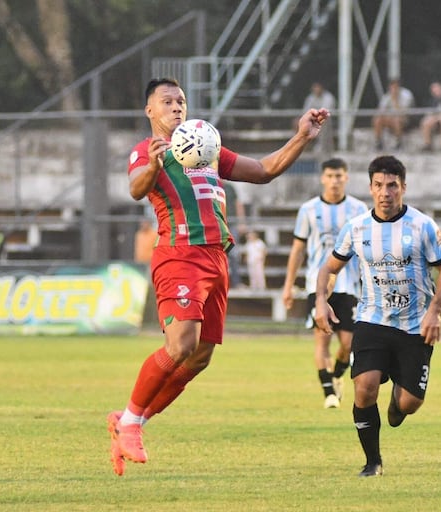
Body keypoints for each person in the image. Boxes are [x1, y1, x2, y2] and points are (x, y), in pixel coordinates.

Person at [107, 77, 329, 476]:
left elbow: (263, 170)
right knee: (182, 342)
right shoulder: (148, 151)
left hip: (217, 259)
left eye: (181, 101)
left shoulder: (204, 146)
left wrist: (302, 137)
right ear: (150, 111)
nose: (177, 107)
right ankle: (129, 422)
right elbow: (136, 189)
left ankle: (129, 420)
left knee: (202, 356)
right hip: (180, 255)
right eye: (167, 101)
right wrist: (154, 165)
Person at [314, 155, 441, 477]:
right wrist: (321, 300)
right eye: (379, 185)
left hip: (414, 325)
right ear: (370, 188)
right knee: (364, 387)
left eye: (392, 185)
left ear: (403, 187)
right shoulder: (357, 228)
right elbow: (329, 268)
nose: (385, 192)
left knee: (408, 405)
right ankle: (372, 461)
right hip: (372, 320)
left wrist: (435, 311)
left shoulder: (423, 226)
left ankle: (397, 401)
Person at [281, 158, 369, 409]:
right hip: (317, 285)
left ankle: (337, 375)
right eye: (330, 176)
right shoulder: (308, 210)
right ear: (322, 178)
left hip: (349, 284)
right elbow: (298, 250)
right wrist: (288, 285)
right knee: (322, 338)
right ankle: (329, 392)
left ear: (347, 178)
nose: (334, 181)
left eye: (339, 175)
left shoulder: (358, 208)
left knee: (348, 343)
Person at [372, 79, 415, 150]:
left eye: (395, 87)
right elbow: (381, 110)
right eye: (392, 87)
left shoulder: (407, 95)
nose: (393, 89)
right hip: (390, 118)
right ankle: (378, 142)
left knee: (397, 120)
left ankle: (399, 142)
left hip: (405, 119)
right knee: (378, 119)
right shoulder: (387, 96)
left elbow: (403, 112)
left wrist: (395, 100)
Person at [223, 181, 247, 288]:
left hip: (232, 225)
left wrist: (241, 222)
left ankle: (236, 282)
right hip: (218, 225)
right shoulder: (211, 183)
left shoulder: (230, 187)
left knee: (233, 254)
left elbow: (238, 204)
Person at [302, 82, 336, 153]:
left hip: (325, 120)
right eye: (315, 88)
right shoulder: (310, 97)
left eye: (318, 88)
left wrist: (316, 115)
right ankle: (303, 147)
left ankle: (322, 146)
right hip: (312, 119)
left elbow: (326, 111)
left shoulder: (328, 97)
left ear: (321, 88)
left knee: (322, 122)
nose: (316, 90)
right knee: (298, 122)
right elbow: (306, 110)